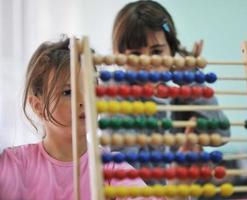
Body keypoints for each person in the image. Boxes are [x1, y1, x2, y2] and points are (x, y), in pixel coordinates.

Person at [0, 37, 164, 200]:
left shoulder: (112, 169)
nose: (84, 100)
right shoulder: (14, 165)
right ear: (38, 107)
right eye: (68, 92)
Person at [110, 0, 230, 189]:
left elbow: (220, 134)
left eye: (156, 51)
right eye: (135, 53)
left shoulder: (180, 97)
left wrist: (190, 79)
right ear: (117, 55)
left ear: (172, 51)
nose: (148, 61)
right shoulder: (118, 98)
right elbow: (124, 164)